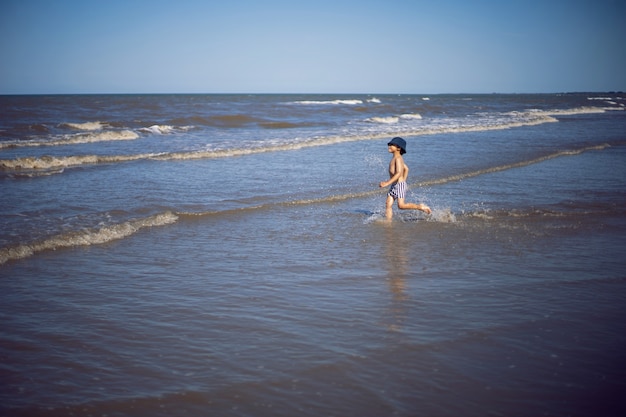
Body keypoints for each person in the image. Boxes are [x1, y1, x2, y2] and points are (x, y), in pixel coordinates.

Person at [379, 137, 431, 220]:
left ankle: (419, 207)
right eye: (389, 144)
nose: (389, 146)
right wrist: (404, 181)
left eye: (392, 145)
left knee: (401, 205)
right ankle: (388, 221)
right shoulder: (395, 158)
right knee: (388, 204)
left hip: (399, 185)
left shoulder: (398, 159)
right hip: (395, 185)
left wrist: (387, 183)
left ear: (398, 148)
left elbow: (399, 173)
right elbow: (406, 169)